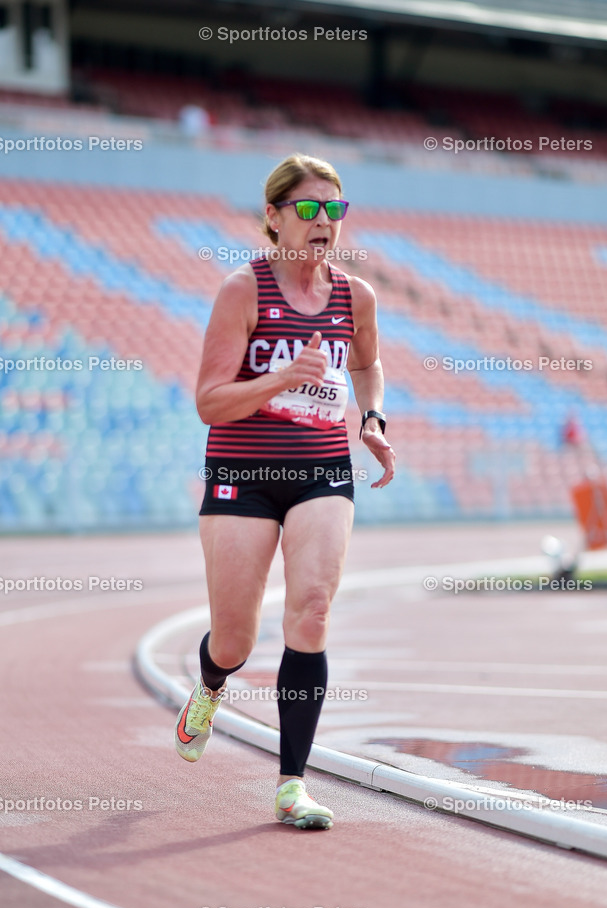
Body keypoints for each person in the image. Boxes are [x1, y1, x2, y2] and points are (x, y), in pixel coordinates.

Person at [175, 153, 395, 829]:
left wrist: (372, 417)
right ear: (273, 218)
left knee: (311, 610)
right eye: (307, 208)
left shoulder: (355, 296)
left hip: (322, 470)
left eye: (334, 207)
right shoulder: (243, 290)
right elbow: (209, 402)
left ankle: (291, 784)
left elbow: (366, 363)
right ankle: (211, 683)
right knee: (236, 639)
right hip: (243, 473)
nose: (323, 220)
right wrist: (279, 379)